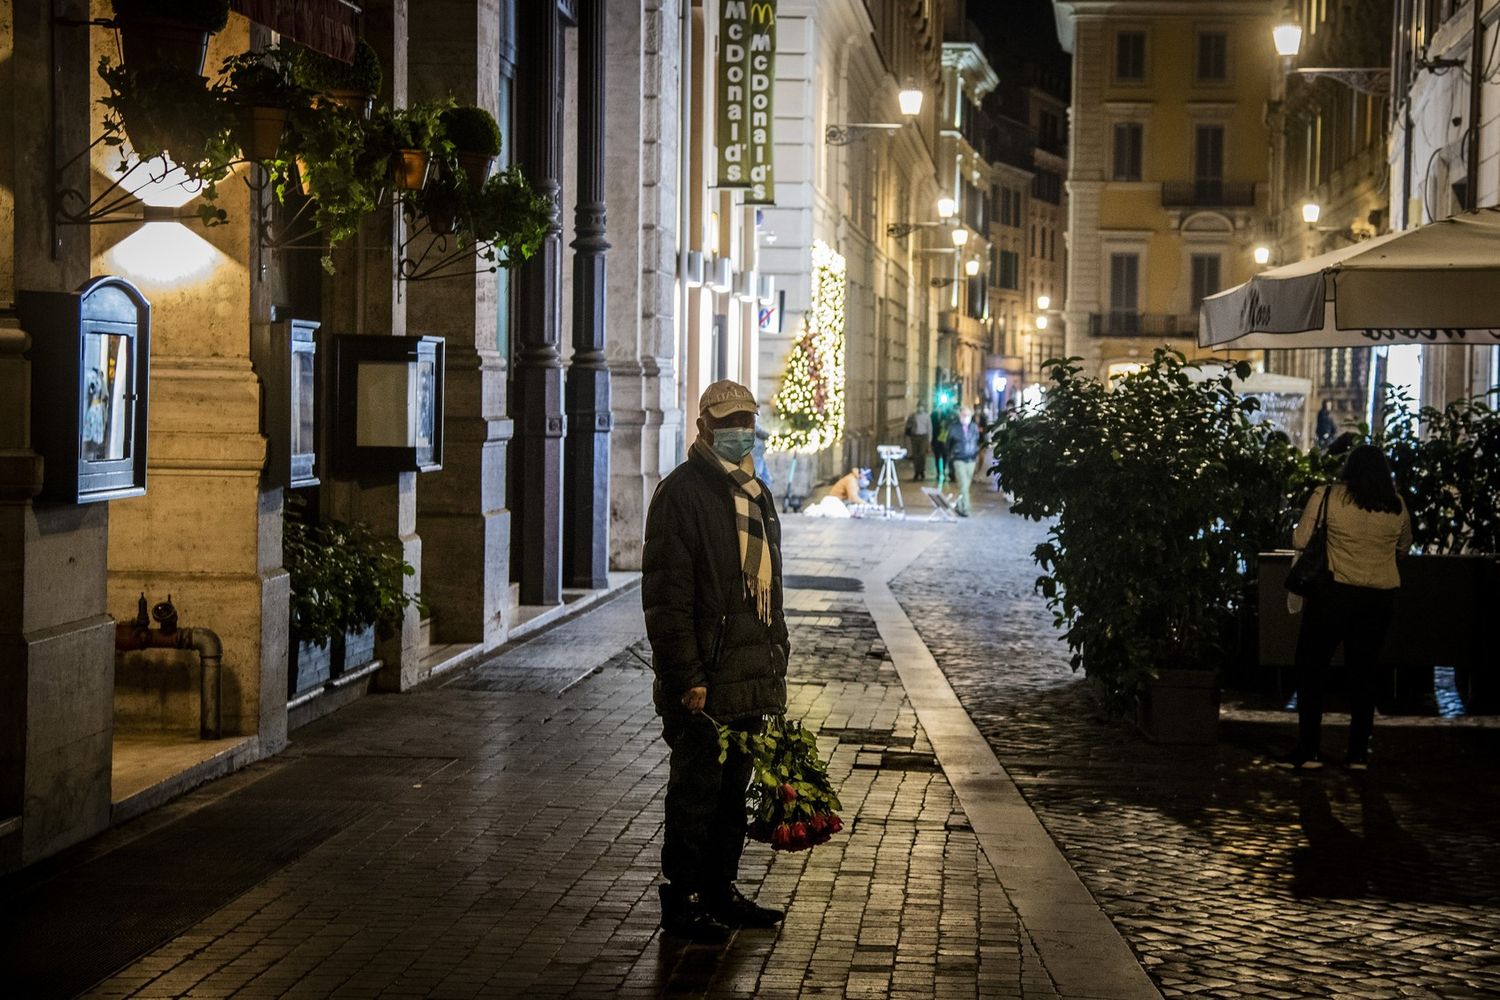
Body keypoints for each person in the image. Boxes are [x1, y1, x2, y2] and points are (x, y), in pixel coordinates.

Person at [642, 379, 790, 942]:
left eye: (747, 420)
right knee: (695, 794)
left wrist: (777, 653)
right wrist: (686, 677)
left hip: (749, 673)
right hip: (705, 678)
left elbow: (772, 588)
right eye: (728, 422)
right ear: (703, 426)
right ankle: (681, 901)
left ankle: (721, 891)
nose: (739, 431)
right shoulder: (680, 495)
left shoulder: (755, 491)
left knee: (733, 794)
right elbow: (666, 599)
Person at [1280, 444, 1412, 771]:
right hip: (1378, 598)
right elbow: (1404, 547)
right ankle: (1357, 754)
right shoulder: (1397, 506)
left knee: (1311, 669)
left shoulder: (1327, 496)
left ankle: (1308, 748)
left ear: (1348, 469)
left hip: (1333, 593)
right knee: (1364, 674)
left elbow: (1300, 540)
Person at [947, 405, 982, 517]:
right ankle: (966, 508)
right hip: (959, 459)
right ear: (960, 416)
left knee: (966, 485)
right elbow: (948, 444)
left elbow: (978, 441)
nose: (966, 417)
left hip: (971, 459)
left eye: (968, 415)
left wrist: (976, 453)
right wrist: (951, 457)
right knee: (963, 484)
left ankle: (959, 505)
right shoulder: (954, 427)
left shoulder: (974, 427)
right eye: (963, 415)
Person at [904, 404, 932, 481]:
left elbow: (929, 428)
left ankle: (922, 470)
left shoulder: (927, 417)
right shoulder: (913, 416)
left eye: (921, 407)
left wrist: (929, 440)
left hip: (923, 437)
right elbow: (908, 426)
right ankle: (916, 471)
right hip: (915, 437)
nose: (920, 408)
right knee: (915, 455)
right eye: (919, 407)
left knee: (922, 454)